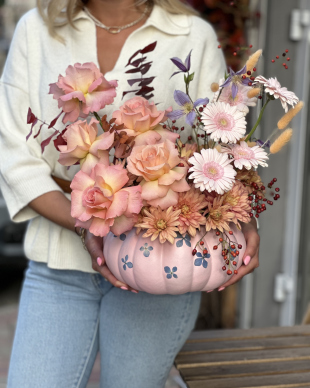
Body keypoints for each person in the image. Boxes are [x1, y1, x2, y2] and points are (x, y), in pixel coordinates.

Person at [0, 0, 260, 387]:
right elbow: (14, 155)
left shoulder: (191, 34)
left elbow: (221, 148)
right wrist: (85, 225)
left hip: (161, 265)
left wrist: (244, 217)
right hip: (59, 267)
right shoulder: (37, 29)